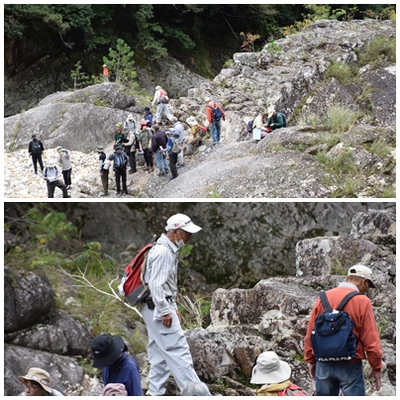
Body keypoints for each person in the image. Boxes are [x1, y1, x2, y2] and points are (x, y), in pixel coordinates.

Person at [141, 213, 203, 395]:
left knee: (159, 354)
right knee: (179, 350)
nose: (189, 237)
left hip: (152, 307)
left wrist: (172, 308)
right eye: (186, 233)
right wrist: (165, 311)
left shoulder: (162, 249)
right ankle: (197, 393)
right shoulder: (163, 252)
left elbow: (160, 284)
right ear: (175, 231)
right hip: (158, 308)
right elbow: (156, 284)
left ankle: (155, 393)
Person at [304, 265, 383, 396]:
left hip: (323, 363)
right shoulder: (362, 301)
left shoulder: (323, 297)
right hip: (350, 363)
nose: (366, 291)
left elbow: (311, 332)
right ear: (363, 282)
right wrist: (376, 367)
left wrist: (311, 360)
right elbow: (371, 340)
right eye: (367, 286)